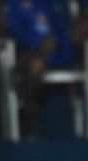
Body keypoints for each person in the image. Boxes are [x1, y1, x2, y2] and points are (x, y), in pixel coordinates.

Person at [5, 0, 78, 137]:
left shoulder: (54, 3)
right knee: (35, 66)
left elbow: (62, 27)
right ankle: (30, 114)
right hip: (24, 53)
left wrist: (56, 44)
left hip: (55, 51)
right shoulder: (13, 3)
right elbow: (12, 30)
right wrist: (36, 47)